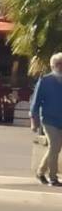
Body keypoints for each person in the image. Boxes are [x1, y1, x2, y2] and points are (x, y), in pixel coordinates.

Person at [30, 52, 62, 186]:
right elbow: (35, 102)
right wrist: (34, 121)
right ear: (54, 65)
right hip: (49, 120)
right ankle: (53, 178)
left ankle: (40, 172)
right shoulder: (45, 80)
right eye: (60, 64)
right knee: (54, 146)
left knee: (55, 148)